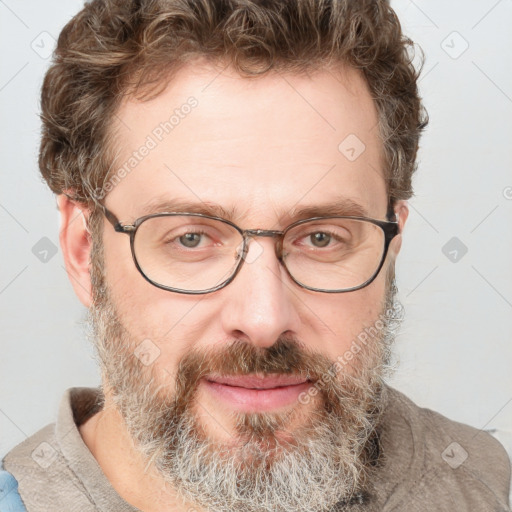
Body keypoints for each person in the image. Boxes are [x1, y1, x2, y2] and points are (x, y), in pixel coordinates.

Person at [1, 0, 510, 511]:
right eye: (191, 238)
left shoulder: (490, 488)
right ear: (84, 252)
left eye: (321, 238)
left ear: (391, 245)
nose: (264, 320)